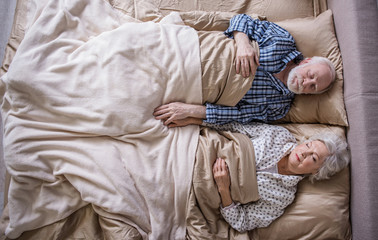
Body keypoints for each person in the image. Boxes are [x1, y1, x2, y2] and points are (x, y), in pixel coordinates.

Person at [153, 14, 336, 127]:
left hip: (196, 87)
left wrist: (189, 111)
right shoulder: (283, 42)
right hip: (201, 50)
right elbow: (241, 19)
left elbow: (237, 116)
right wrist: (243, 43)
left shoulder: (279, 107)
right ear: (307, 61)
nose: (307, 82)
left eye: (313, 87)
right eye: (311, 75)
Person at [205, 122, 350, 232]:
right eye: (308, 145)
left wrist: (223, 189)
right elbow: (236, 126)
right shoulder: (279, 135)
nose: (305, 153)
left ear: (316, 172)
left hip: (206, 188)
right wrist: (199, 121)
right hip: (207, 147)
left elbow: (243, 221)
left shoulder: (283, 196)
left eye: (313, 158)